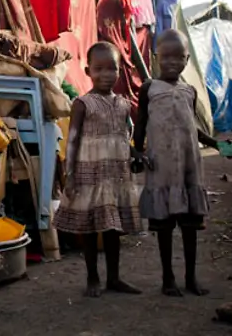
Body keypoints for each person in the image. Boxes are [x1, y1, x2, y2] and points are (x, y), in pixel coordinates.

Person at [134, 29, 220, 297]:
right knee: (164, 226)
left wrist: (220, 144)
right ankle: (168, 279)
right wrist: (136, 153)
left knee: (190, 227)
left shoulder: (189, 90)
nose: (172, 62)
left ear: (187, 59)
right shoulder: (149, 89)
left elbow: (195, 129)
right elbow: (140, 127)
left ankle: (191, 278)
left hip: (189, 169)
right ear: (155, 57)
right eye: (166, 56)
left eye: (179, 57)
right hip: (161, 170)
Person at [55, 41, 141, 298]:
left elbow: (126, 136)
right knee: (90, 228)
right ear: (87, 70)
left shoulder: (124, 105)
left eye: (112, 68)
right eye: (99, 68)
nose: (106, 75)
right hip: (88, 176)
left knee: (113, 228)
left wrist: (137, 154)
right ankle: (93, 277)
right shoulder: (83, 104)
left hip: (115, 176)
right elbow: (71, 140)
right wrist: (69, 175)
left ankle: (114, 278)